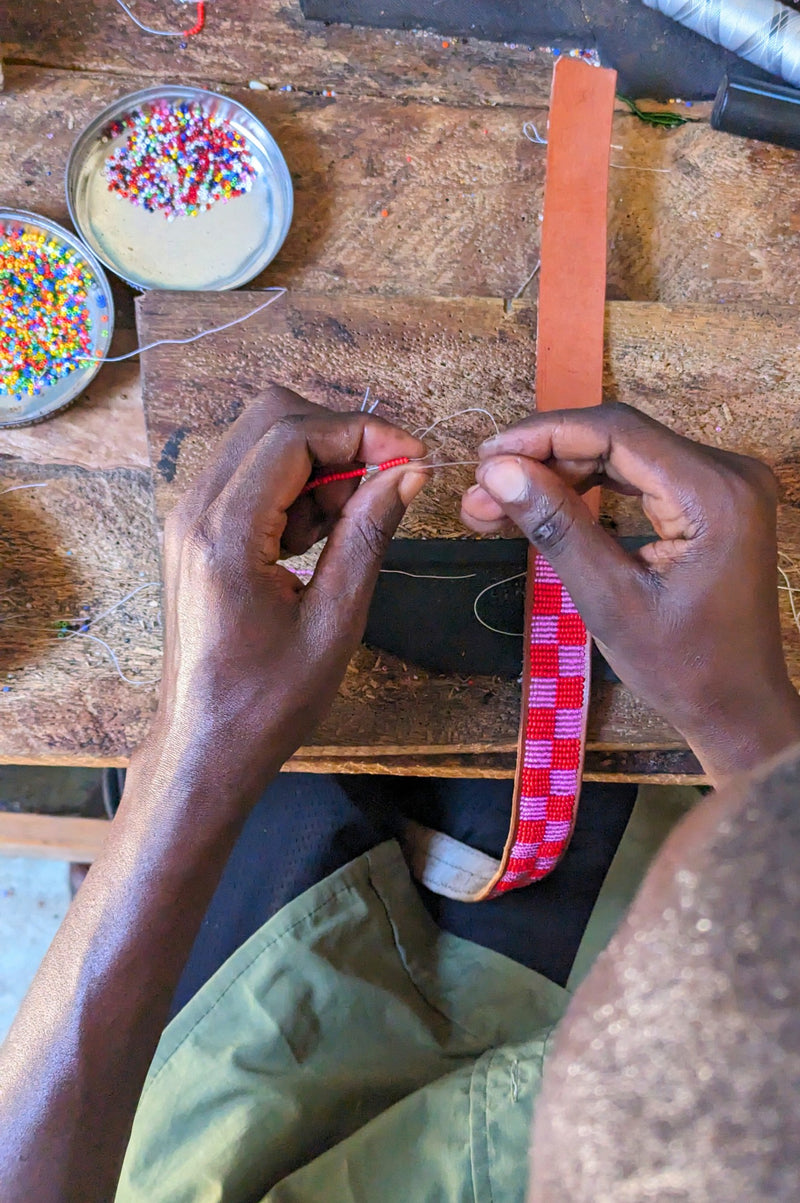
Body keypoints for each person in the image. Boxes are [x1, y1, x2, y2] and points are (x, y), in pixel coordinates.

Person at [1, 389, 799, 1203]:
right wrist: (752, 735)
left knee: (298, 795)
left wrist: (184, 767)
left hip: (223, 1107)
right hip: (618, 1035)